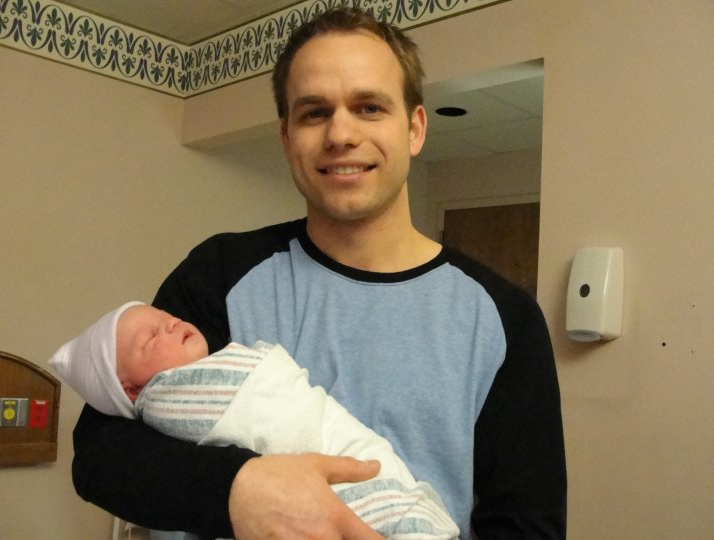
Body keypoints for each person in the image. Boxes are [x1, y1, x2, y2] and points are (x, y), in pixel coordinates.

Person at [71, 7, 566, 540]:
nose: (341, 134)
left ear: (415, 128)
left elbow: (528, 527)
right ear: (287, 138)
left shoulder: (504, 319)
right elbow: (101, 455)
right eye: (314, 113)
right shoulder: (219, 274)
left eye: (369, 107)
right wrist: (240, 490)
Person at [49, 301, 459, 539]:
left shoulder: (486, 306)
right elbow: (96, 460)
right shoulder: (169, 396)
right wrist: (239, 486)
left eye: (164, 317)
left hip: (374, 467)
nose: (170, 323)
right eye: (151, 337)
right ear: (133, 390)